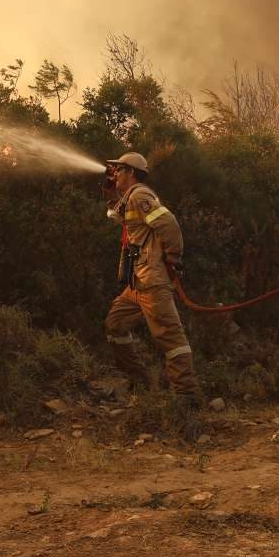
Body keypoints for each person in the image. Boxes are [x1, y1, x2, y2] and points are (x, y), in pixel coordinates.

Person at [102, 152, 202, 433]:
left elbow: (168, 223)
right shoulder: (129, 197)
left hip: (152, 282)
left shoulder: (140, 195)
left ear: (131, 172)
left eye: (119, 170)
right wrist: (110, 195)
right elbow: (120, 219)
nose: (115, 174)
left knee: (171, 339)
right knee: (115, 324)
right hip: (137, 284)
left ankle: (188, 398)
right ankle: (141, 380)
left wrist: (174, 257)